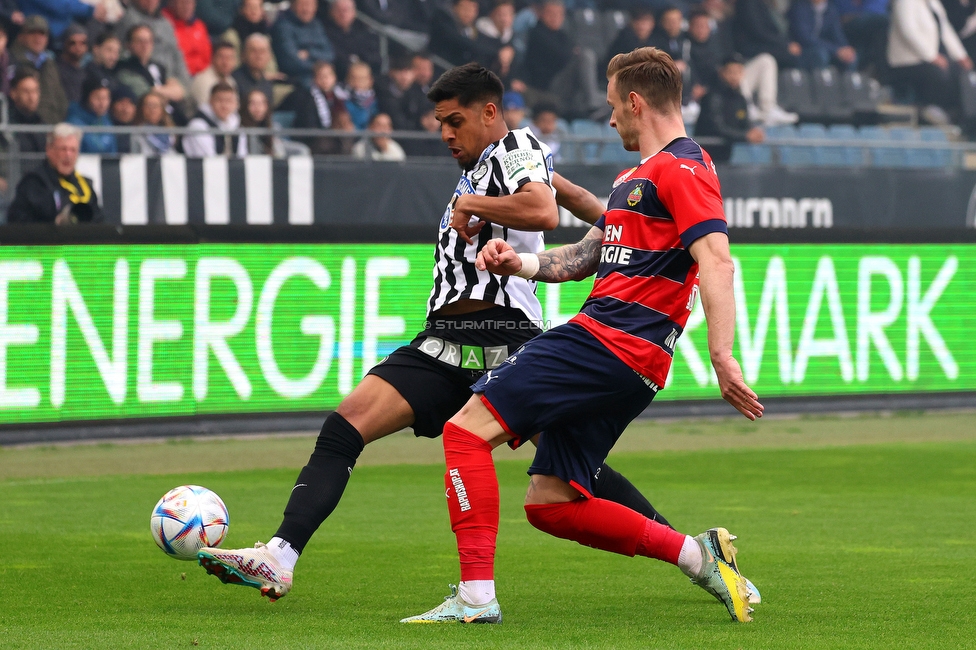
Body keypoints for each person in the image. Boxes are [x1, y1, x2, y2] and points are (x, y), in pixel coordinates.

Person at [196, 63, 675, 603]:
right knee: (345, 427)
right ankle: (279, 558)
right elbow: (578, 200)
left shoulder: (516, 145)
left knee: (572, 472)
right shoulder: (493, 164)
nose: (446, 133)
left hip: (504, 340)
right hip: (444, 342)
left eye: (455, 120)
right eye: (440, 122)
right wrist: (622, 225)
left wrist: (473, 205)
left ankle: (688, 551)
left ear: (490, 113)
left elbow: (542, 210)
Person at [401, 47, 763, 626]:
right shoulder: (631, 180)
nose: (610, 116)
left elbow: (716, 260)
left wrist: (723, 357)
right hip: (630, 364)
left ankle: (475, 599)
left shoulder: (682, 167)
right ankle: (701, 555)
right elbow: (585, 258)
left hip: (605, 341)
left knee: (464, 434)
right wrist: (517, 264)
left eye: (614, 105)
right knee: (552, 504)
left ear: (636, 102)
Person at [888, 0, 973, 124]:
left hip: (929, 59)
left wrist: (962, 56)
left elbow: (946, 31)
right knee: (940, 74)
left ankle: (959, 121)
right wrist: (932, 56)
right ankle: (933, 114)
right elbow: (908, 30)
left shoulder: (933, 2)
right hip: (907, 62)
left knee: (961, 74)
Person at [519, 0, 603, 117]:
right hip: (548, 88)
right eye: (551, 13)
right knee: (585, 56)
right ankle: (591, 103)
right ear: (542, 13)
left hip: (568, 85)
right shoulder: (537, 33)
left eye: (559, 14)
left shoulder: (562, 35)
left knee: (610, 99)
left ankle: (593, 104)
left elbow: (570, 51)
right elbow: (563, 55)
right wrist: (572, 53)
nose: (555, 17)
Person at [8, 123, 104, 224]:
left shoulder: (85, 185)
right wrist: (54, 223)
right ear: (49, 150)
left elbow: (99, 219)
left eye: (73, 150)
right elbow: (18, 220)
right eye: (63, 149)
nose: (68, 155)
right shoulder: (34, 183)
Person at [695, 54, 765, 161]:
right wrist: (745, 136)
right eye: (731, 72)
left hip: (724, 155)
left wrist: (753, 131)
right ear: (722, 72)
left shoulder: (740, 99)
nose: (734, 76)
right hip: (704, 157)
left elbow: (743, 122)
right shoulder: (712, 97)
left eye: (738, 72)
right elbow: (717, 128)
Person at [115, 0, 194, 91]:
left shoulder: (166, 22)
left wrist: (184, 81)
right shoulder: (129, 19)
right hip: (145, 75)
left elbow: (176, 52)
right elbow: (123, 51)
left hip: (171, 79)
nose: (151, 1)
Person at [10, 16, 68, 124]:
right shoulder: (11, 60)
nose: (38, 38)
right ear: (21, 36)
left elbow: (60, 97)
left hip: (52, 125)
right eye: (32, 33)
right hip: (24, 126)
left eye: (42, 34)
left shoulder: (50, 63)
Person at [116, 24, 187, 111]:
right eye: (139, 41)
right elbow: (145, 94)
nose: (145, 45)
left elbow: (179, 91)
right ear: (129, 44)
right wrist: (166, 93)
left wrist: (156, 90)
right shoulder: (124, 68)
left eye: (148, 41)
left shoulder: (159, 66)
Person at [290, 60, 355, 154]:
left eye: (328, 75)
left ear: (334, 77)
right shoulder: (307, 98)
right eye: (321, 76)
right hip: (313, 139)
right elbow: (309, 126)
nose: (325, 79)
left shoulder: (341, 97)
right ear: (314, 79)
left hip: (335, 137)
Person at [271, 0, 334, 88]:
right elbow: (290, 61)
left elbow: (330, 55)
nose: (307, 9)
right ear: (292, 5)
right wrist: (318, 68)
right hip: (298, 80)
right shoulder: (283, 27)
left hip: (322, 76)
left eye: (311, 5)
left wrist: (310, 53)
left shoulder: (316, 24)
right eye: (303, 5)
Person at [788, 0, 858, 70]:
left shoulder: (830, 8)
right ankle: (818, 80)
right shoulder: (799, 7)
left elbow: (837, 34)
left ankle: (847, 80)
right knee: (821, 55)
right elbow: (805, 38)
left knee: (851, 57)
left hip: (825, 48)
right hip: (802, 49)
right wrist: (836, 50)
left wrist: (845, 48)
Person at [183, 81, 247, 156]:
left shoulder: (237, 126)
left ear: (236, 104)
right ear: (210, 101)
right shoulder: (198, 126)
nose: (224, 106)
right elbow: (208, 160)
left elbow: (242, 156)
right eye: (220, 100)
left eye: (229, 101)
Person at [322, 0, 381, 81]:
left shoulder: (363, 31)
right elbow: (333, 56)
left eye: (346, 10)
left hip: (366, 76)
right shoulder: (324, 31)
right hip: (341, 78)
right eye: (339, 10)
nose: (343, 14)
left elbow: (374, 57)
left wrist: (361, 65)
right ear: (332, 12)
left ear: (354, 12)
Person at [66, 74, 118, 154]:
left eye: (106, 98)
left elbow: (112, 151)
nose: (102, 103)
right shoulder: (74, 122)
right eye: (97, 98)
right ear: (87, 98)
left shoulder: (106, 120)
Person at [163, 0, 213, 77]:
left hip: (202, 74)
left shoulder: (199, 25)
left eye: (190, 3)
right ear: (172, 3)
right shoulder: (165, 24)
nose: (187, 7)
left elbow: (207, 57)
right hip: (178, 76)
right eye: (183, 3)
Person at [376, 56, 428, 131]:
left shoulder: (419, 93)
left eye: (408, 71)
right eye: (400, 71)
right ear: (391, 73)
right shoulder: (381, 92)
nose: (405, 77)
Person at [6, 69, 47, 153]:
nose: (32, 97)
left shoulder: (41, 122)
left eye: (35, 91)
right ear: (13, 93)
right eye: (26, 91)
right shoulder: (7, 124)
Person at [603, 8, 656, 73]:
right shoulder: (624, 39)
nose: (642, 26)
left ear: (652, 23)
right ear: (632, 23)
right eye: (639, 21)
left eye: (646, 22)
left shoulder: (655, 40)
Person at [190, 40, 237, 107]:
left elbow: (234, 109)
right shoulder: (203, 80)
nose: (226, 63)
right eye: (222, 57)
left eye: (230, 58)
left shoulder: (231, 81)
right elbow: (206, 110)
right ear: (213, 58)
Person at [232, 33, 275, 106]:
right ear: (243, 55)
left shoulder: (267, 83)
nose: (259, 56)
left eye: (262, 51)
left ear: (269, 56)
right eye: (253, 51)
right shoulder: (233, 81)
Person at [241, 87, 285, 156]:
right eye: (253, 103)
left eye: (261, 103)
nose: (257, 107)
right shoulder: (240, 128)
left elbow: (280, 154)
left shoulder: (274, 127)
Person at [131, 89, 177, 154]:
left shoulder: (170, 133)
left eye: (155, 105)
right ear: (141, 108)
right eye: (148, 105)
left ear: (162, 109)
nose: (152, 110)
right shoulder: (136, 132)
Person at [57, 24, 89, 105]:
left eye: (82, 43)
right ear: (64, 44)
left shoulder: (86, 72)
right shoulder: (55, 70)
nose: (78, 47)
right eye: (72, 43)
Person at [341, 60, 377, 129]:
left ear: (370, 81)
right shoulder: (342, 101)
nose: (357, 82)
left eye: (361, 79)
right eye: (353, 78)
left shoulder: (377, 101)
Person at [110, 85, 138, 153]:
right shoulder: (104, 129)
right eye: (121, 102)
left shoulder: (141, 130)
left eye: (130, 103)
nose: (125, 109)